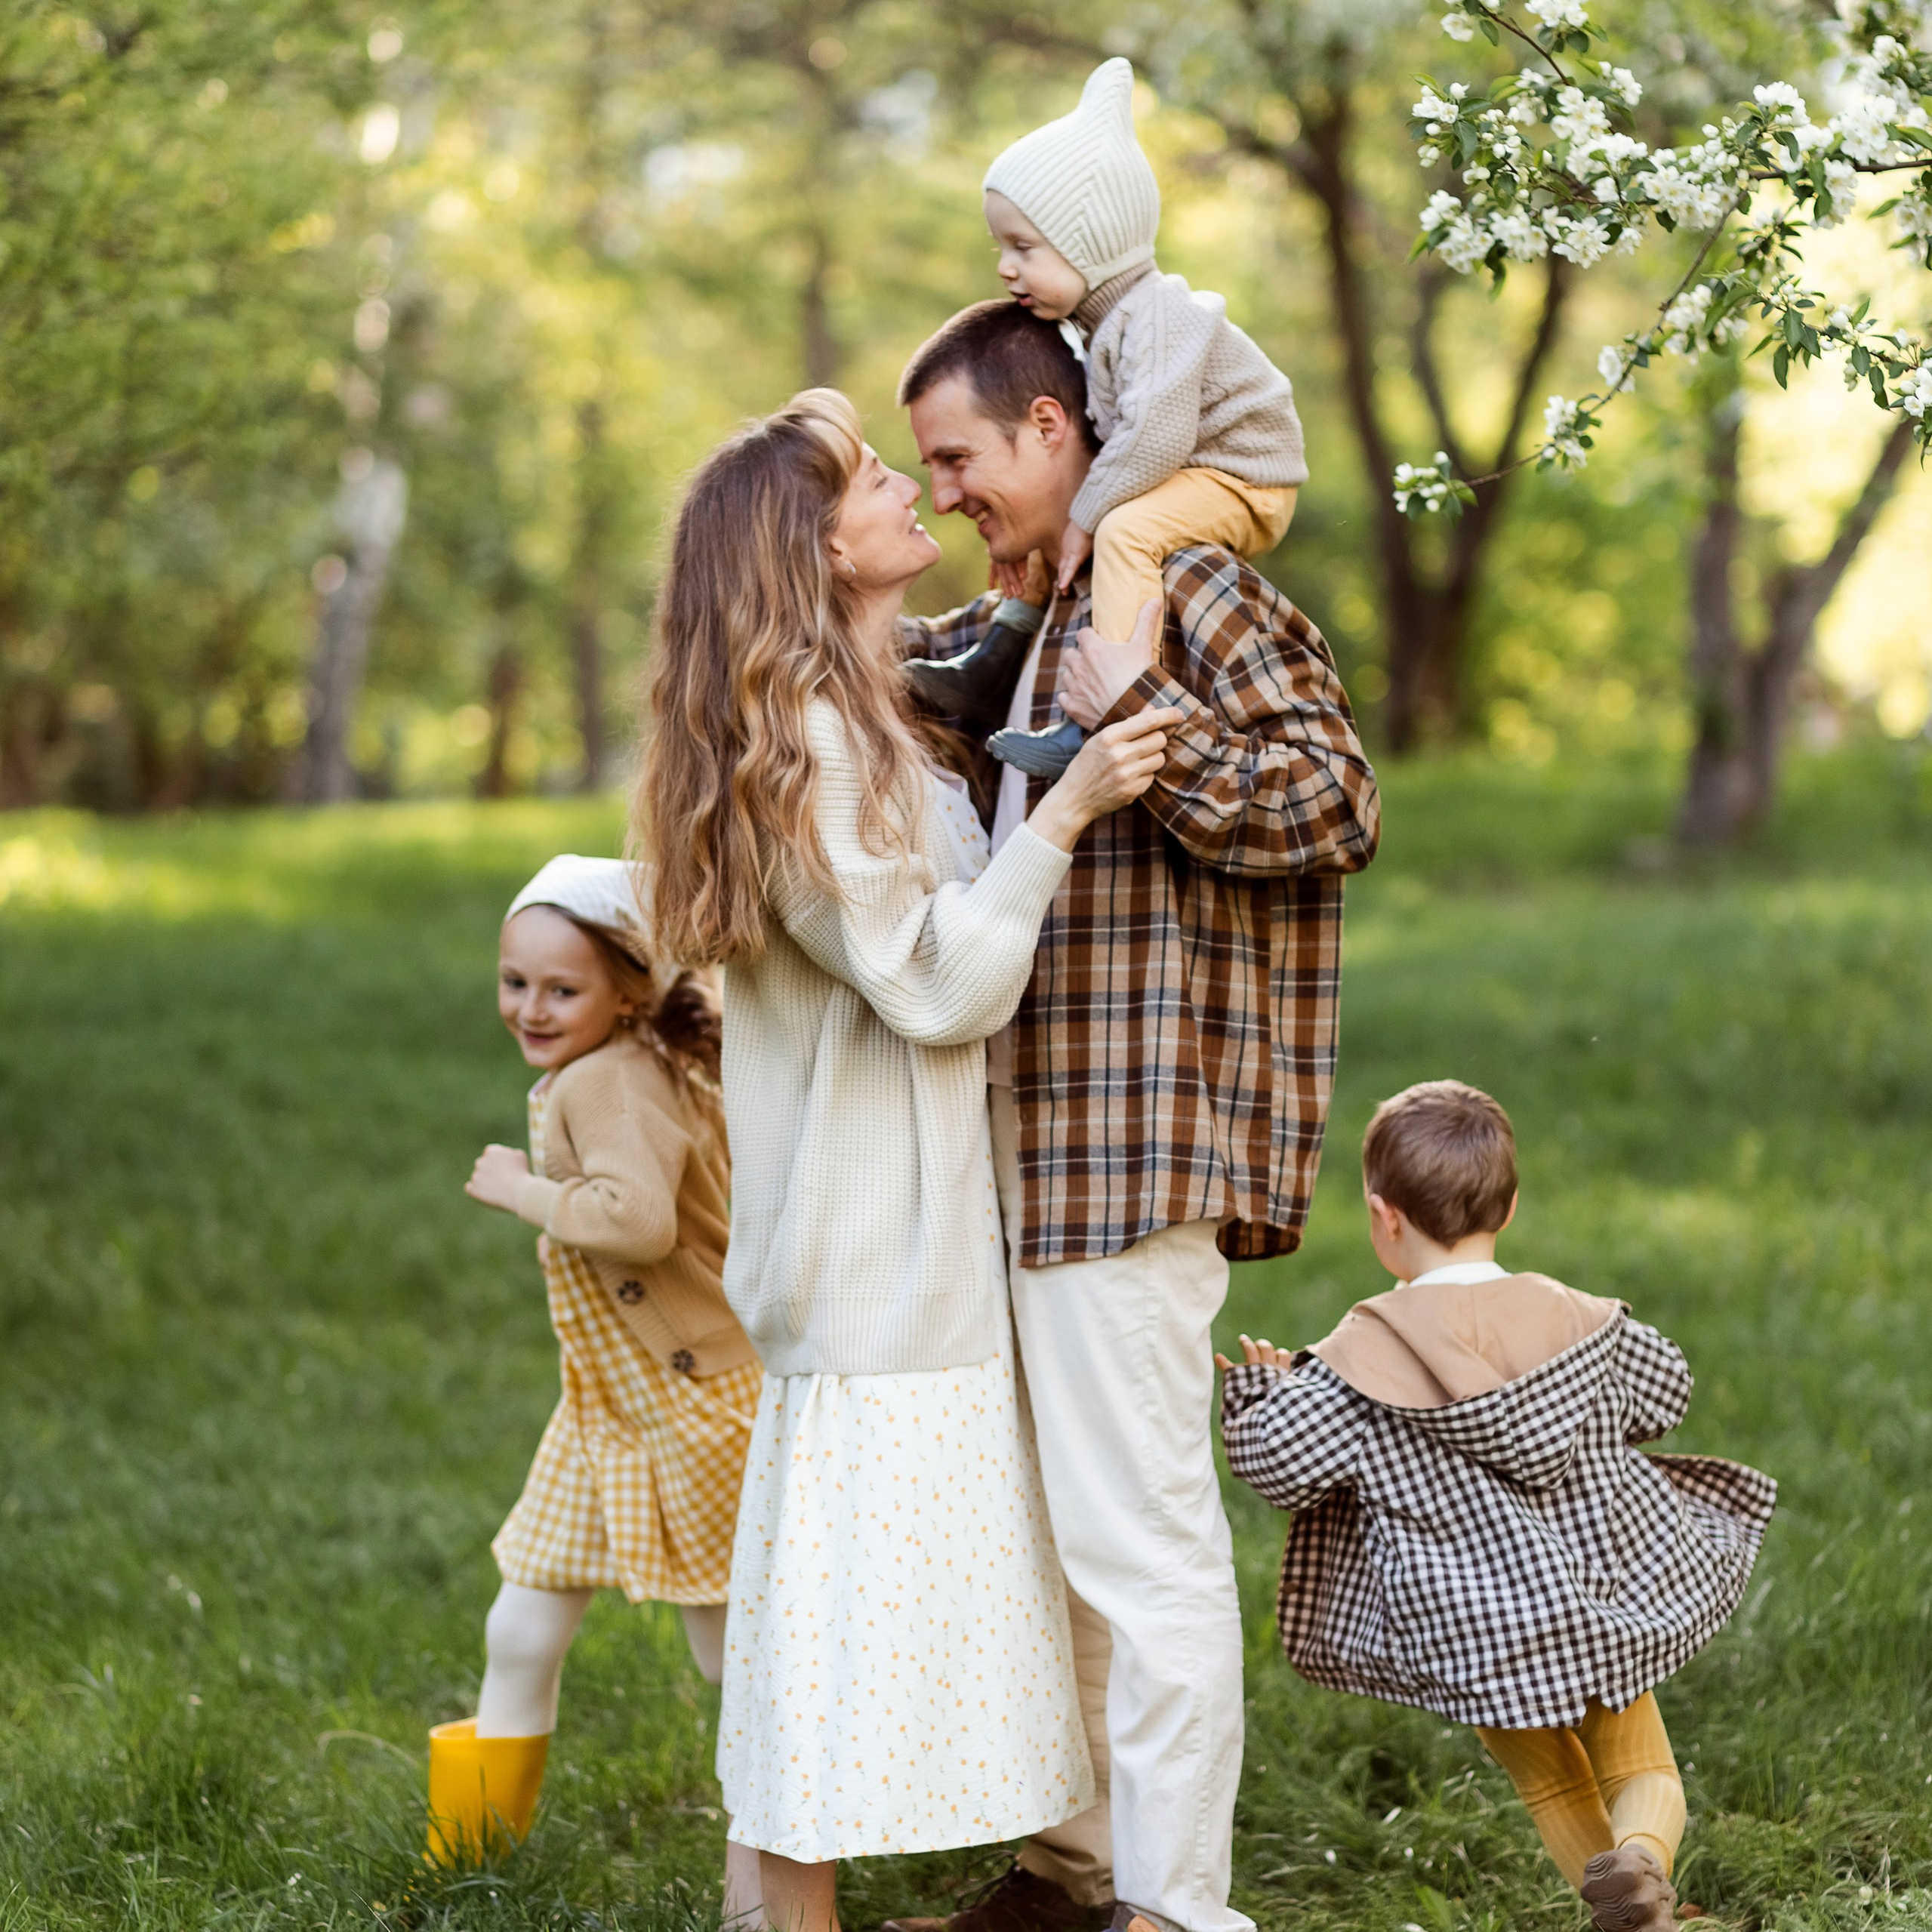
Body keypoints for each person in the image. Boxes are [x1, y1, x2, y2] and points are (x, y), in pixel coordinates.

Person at [636, 387, 1185, 1932]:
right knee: (831, 1638)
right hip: (873, 1257)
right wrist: (1066, 808)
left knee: (862, 1616)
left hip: (913, 1242)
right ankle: (781, 1917)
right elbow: (937, 981)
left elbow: (963, 660)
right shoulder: (803, 740)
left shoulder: (862, 701)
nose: (906, 489)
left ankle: (837, 1901)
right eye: (873, 479)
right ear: (801, 551)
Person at [891, 303, 1380, 1932]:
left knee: (1140, 1542)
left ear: (1051, 430)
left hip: (1133, 1143)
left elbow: (1334, 797)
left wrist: (1131, 735)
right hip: (1016, 1159)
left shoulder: (1194, 586)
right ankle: (1072, 1867)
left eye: (958, 456)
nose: (946, 488)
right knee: (1048, 1543)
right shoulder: (1027, 625)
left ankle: (1178, 1909)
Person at [1219, 1080, 1777, 1932]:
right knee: (1642, 1772)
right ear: (1509, 1207)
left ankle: (1627, 1915)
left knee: (1552, 1781)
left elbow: (1278, 1468)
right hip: (1599, 1597)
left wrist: (1259, 1392)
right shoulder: (1578, 1319)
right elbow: (1667, 1388)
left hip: (1476, 1632)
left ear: (1383, 1217)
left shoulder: (1355, 1362)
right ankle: (1641, 1871)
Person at [431, 855, 763, 1924]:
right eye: (513, 980)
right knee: (521, 1619)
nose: (530, 1007)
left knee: (730, 1656)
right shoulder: (620, 1057)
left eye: (559, 988)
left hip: (694, 1404)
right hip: (605, 1410)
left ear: (624, 991)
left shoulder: (608, 1077)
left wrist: (525, 1190)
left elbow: (636, 1220)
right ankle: (475, 1856)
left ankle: (774, 1857)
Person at [906, 57, 1308, 778]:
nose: (1005, 267)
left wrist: (1085, 518)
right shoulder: (1102, 329)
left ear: (1090, 245)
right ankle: (998, 655)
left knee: (1121, 527)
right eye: (1002, 247)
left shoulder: (1155, 315)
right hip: (1190, 466)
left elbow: (1155, 435)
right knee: (1068, 525)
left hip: (1244, 475)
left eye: (1023, 247)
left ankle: (1090, 720)